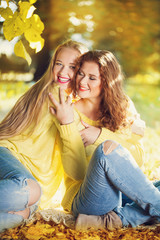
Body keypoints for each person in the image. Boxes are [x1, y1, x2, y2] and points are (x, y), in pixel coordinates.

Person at [49, 50, 160, 230]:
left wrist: (100, 135)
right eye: (81, 74)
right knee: (106, 150)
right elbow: (75, 173)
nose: (82, 82)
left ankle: (114, 220)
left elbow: (138, 159)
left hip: (119, 195)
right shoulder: (69, 112)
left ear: (106, 82)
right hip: (86, 201)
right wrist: (67, 124)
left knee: (154, 187)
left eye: (92, 78)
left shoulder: (122, 105)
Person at [0, 39, 88, 232]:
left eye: (72, 67)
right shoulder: (57, 96)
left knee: (23, 213)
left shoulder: (68, 101)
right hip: (7, 154)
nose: (63, 72)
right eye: (59, 64)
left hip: (25, 175)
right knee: (30, 191)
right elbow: (78, 169)